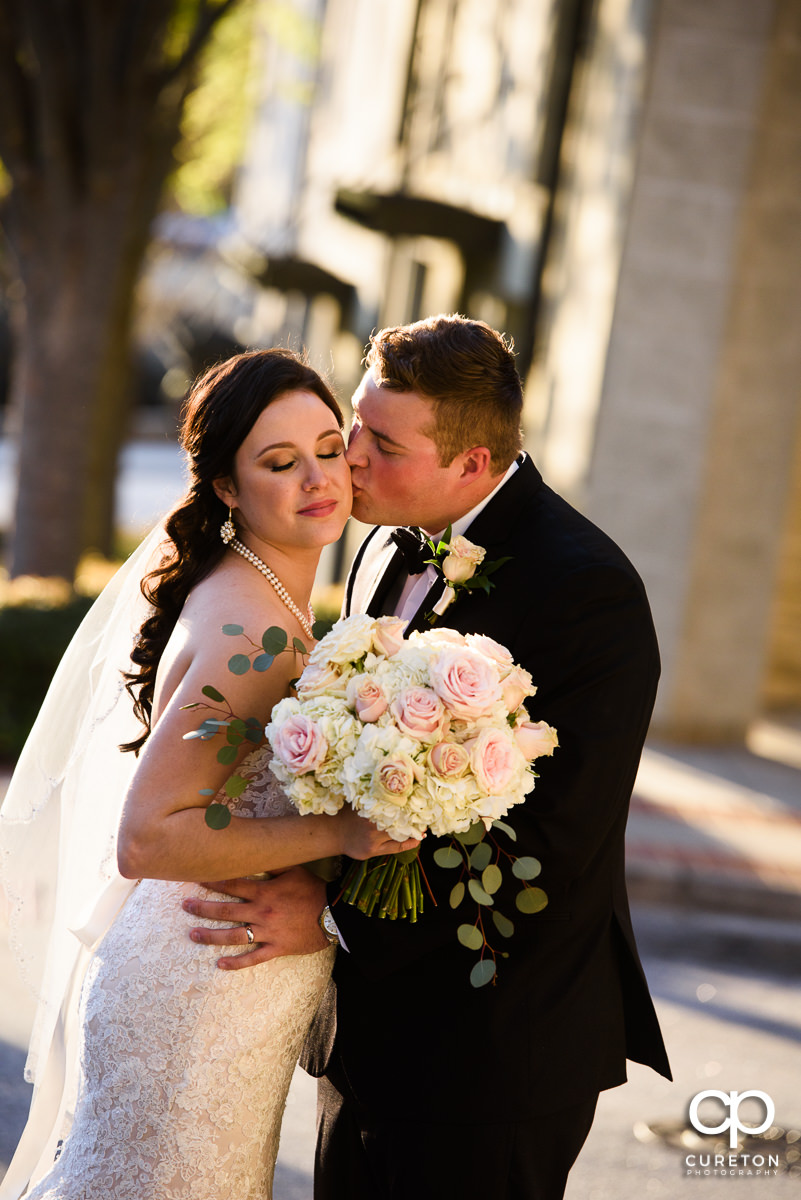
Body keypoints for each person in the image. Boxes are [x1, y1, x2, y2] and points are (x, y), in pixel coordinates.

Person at [186, 315, 672, 1200]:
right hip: (365, 1041)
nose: (350, 460)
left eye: (381, 443)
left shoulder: (587, 592)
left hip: (494, 1052)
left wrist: (330, 919)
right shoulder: (375, 539)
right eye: (356, 427)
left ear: (471, 464)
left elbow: (552, 849)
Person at [0, 349, 417, 1200]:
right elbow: (149, 834)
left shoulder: (265, 599)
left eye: (328, 448)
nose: (316, 478)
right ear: (226, 488)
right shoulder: (246, 632)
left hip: (229, 974)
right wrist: (341, 833)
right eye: (277, 463)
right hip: (199, 988)